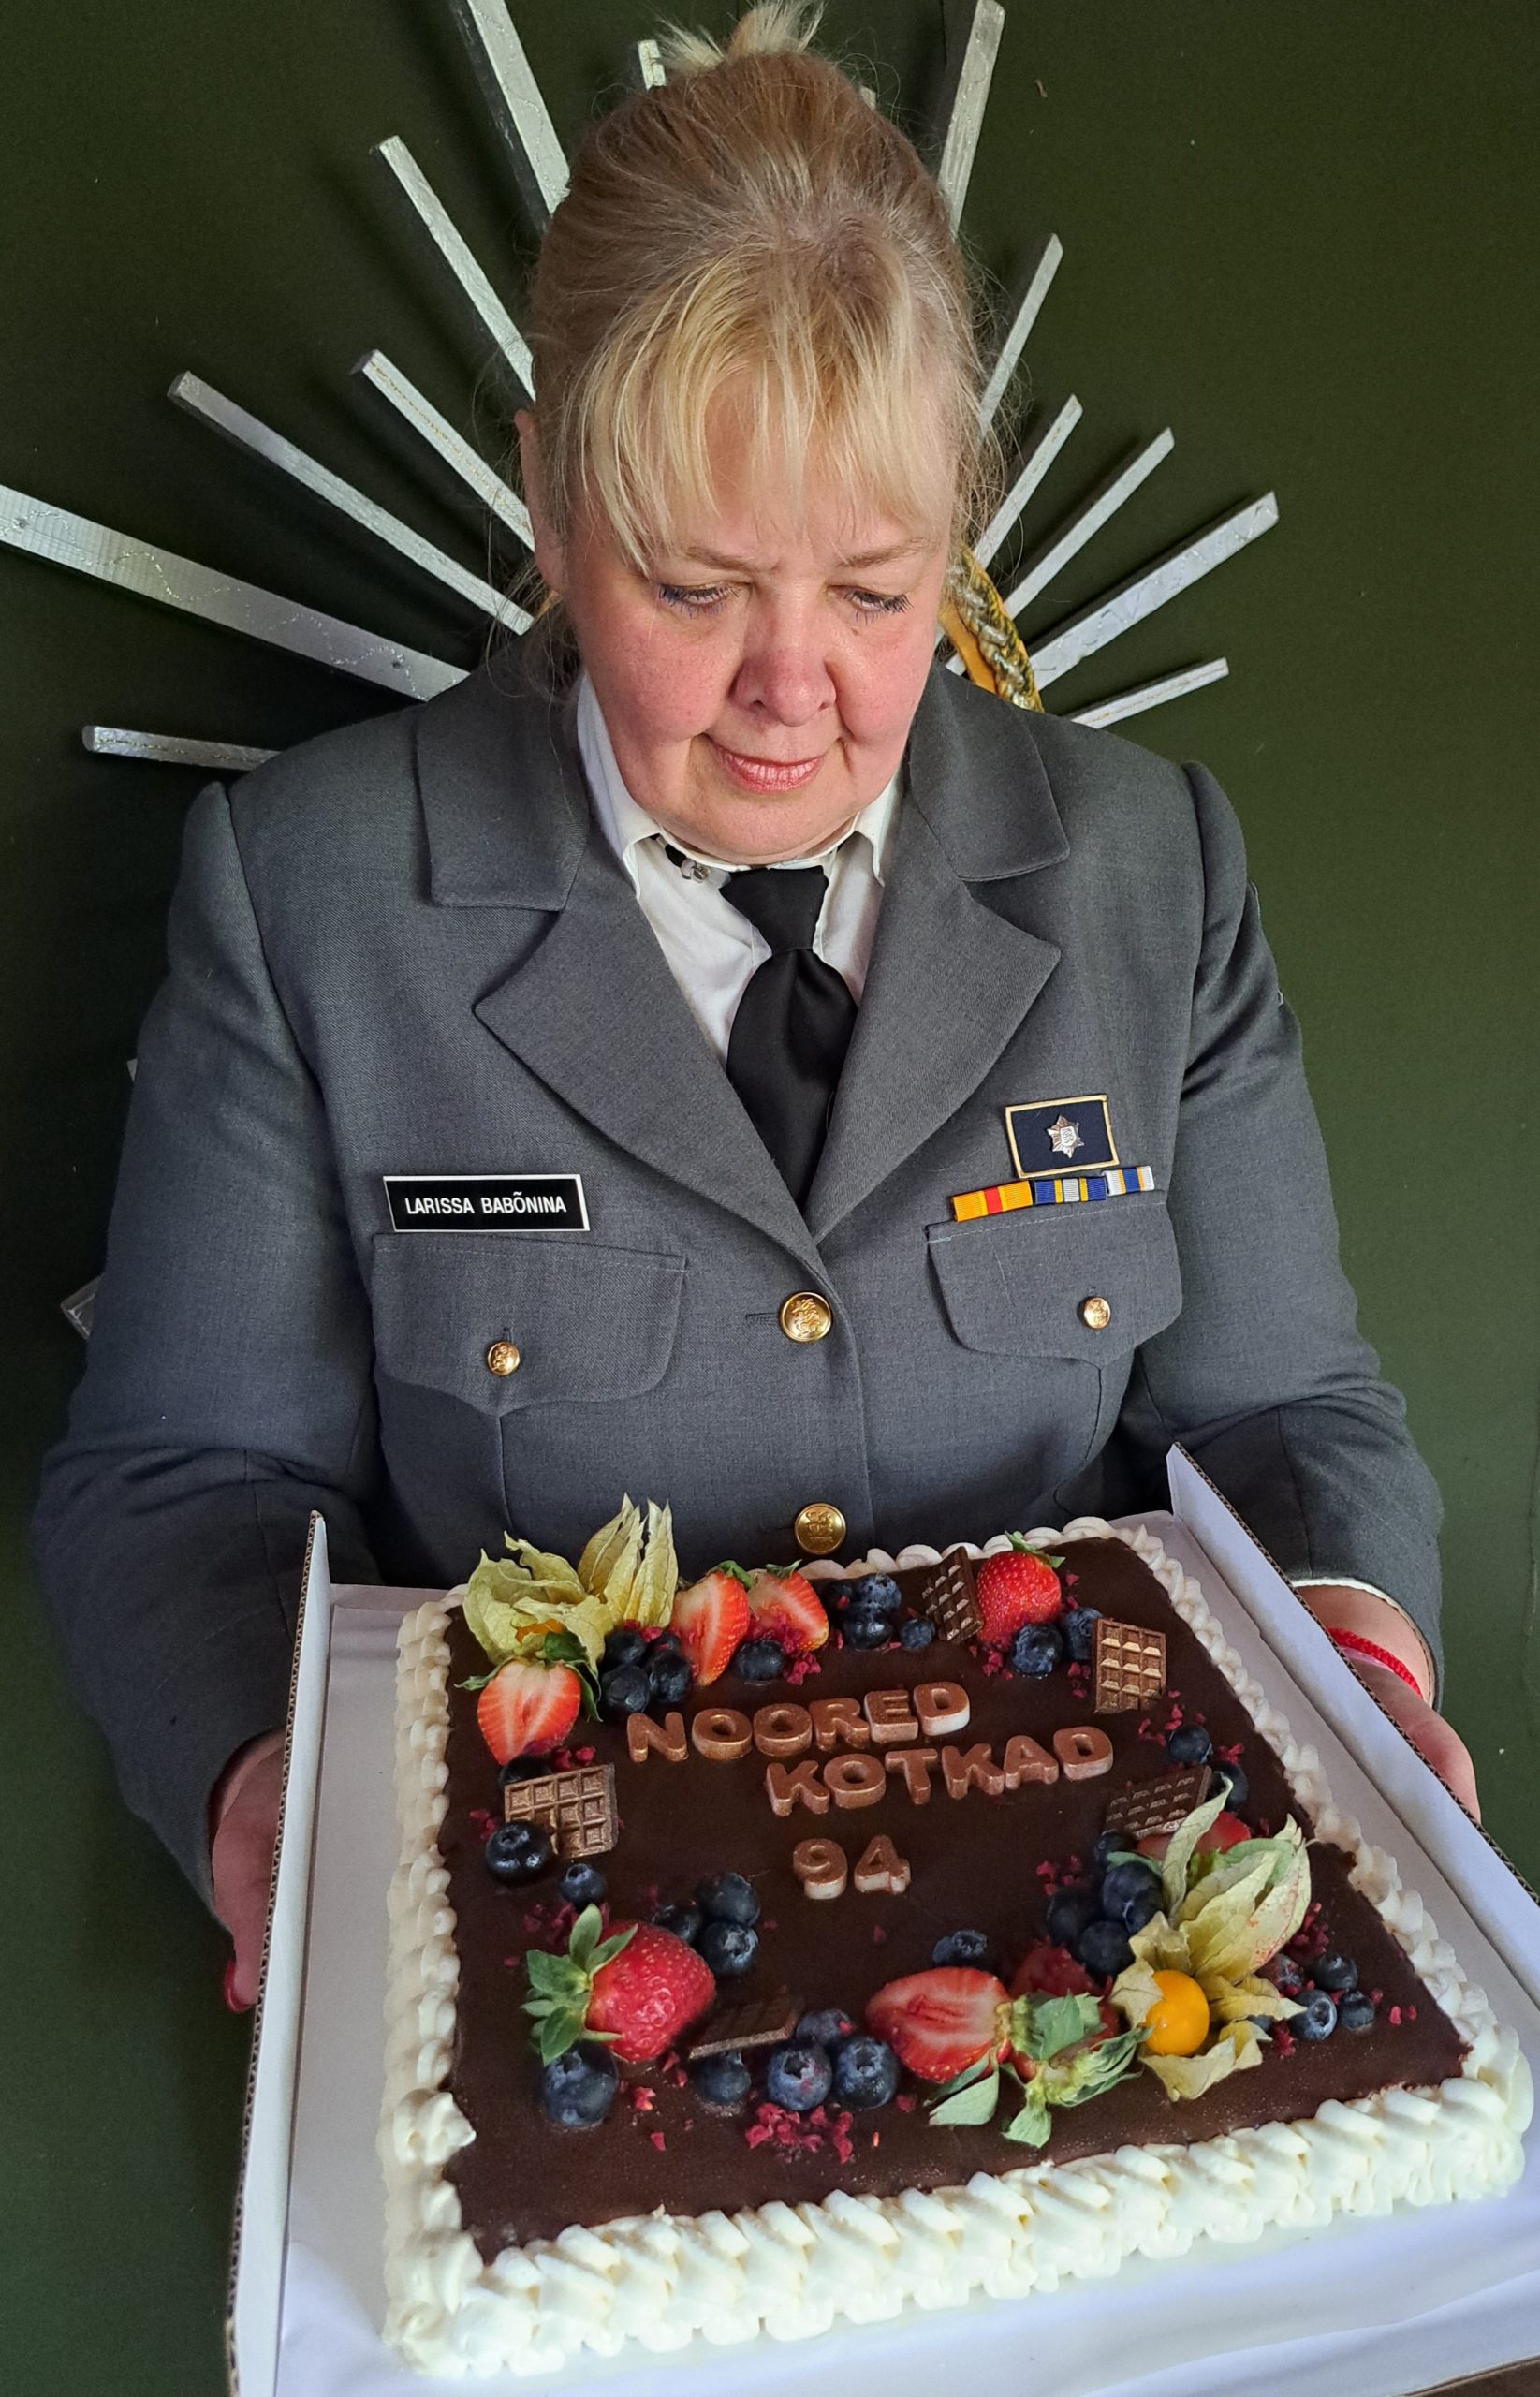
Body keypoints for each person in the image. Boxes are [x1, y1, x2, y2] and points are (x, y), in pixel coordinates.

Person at [32, 1, 1475, 2012]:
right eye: (694, 589)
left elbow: (1279, 1410)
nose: (794, 689)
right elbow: (186, 1478)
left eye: (876, 589)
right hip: (566, 1952)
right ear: (551, 509)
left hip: (1073, 1961)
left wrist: (1361, 1667)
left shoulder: (1152, 867)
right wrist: (264, 1777)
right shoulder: (313, 896)